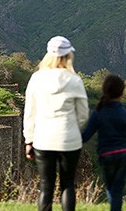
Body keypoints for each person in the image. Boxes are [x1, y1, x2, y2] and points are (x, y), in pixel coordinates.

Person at [24, 36, 89, 211]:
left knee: (46, 186)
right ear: (68, 55)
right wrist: (74, 129)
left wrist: (29, 140)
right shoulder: (75, 80)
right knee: (67, 184)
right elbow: (83, 115)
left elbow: (30, 113)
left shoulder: (37, 79)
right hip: (69, 139)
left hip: (43, 139)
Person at [82, 74, 126, 211]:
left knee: (111, 188)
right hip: (124, 155)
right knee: (117, 189)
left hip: (107, 155)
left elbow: (86, 135)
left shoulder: (98, 113)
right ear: (122, 93)